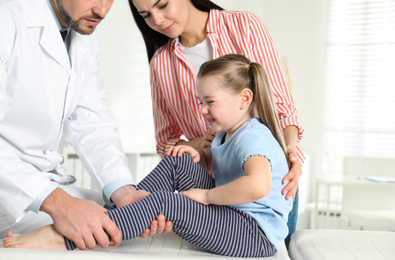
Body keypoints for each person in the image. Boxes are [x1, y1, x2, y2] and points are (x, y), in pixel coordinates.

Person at [3, 54, 292, 257]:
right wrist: (197, 155)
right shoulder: (226, 133)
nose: (202, 110)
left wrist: (203, 198)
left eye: (210, 102)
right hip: (232, 215)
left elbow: (257, 185)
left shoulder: (253, 135)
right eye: (200, 102)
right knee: (179, 161)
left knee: (170, 202)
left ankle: (66, 238)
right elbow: (225, 170)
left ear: (244, 99)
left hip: (253, 234)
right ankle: (120, 215)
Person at [129, 0, 304, 247]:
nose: (156, 20)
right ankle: (114, 214)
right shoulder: (161, 62)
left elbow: (282, 109)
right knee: (175, 165)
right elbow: (167, 142)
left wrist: (290, 152)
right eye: (145, 14)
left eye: (163, 5)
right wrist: (201, 144)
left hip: (267, 191)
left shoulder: (244, 26)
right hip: (214, 182)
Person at [0, 0, 171, 250]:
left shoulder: (81, 29)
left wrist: (122, 191)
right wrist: (61, 205)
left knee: (140, 217)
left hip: (43, 186)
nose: (102, 11)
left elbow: (91, 121)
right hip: (10, 190)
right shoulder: (7, 19)